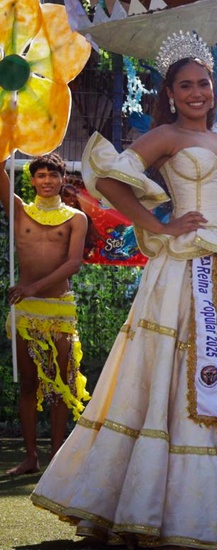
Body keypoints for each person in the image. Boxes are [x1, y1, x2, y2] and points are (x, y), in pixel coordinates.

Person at [30, 32, 217, 548]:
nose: (196, 93)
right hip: (184, 270)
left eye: (203, 84)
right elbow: (110, 180)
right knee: (174, 366)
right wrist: (160, 226)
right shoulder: (163, 136)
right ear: (170, 92)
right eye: (185, 85)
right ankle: (157, 505)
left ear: (213, 89)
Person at [1, 153, 89, 476]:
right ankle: (30, 458)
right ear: (32, 179)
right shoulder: (19, 211)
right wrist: (8, 138)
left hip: (58, 309)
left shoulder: (76, 218)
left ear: (63, 180)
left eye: (53, 175)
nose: (47, 180)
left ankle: (56, 460)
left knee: (59, 385)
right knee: (28, 383)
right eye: (41, 175)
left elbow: (74, 264)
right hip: (25, 309)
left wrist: (34, 287)